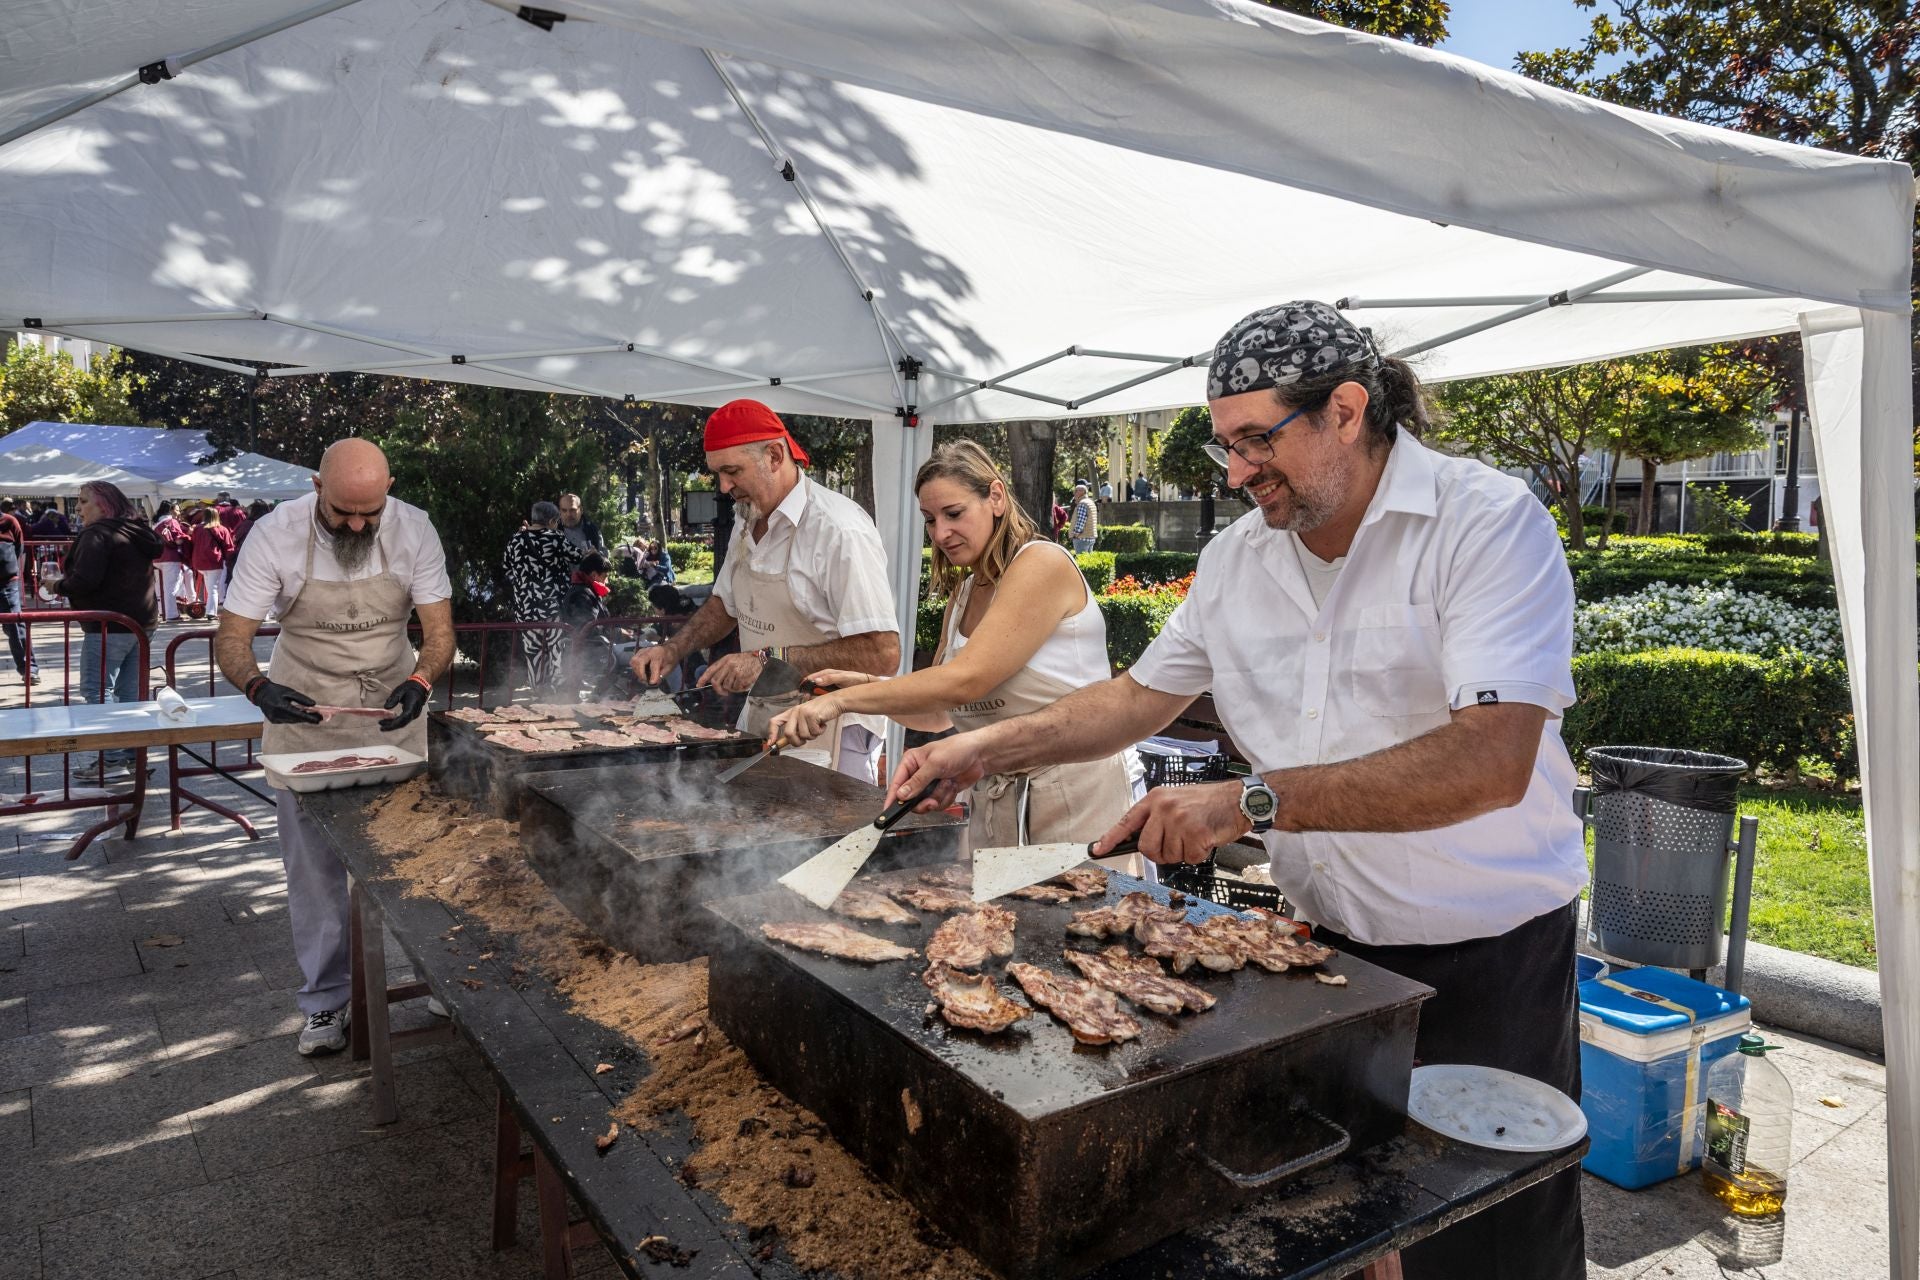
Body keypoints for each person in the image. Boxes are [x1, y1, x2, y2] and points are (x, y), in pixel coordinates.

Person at [891, 301, 1587, 1280]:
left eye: (1256, 439)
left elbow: (1491, 758)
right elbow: (1136, 697)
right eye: (1225, 444)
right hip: (1324, 953)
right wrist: (986, 747)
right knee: (1339, 1231)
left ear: (1347, 409)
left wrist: (1244, 802)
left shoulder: (1485, 522)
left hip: (1490, 960)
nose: (1234, 471)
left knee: (1487, 1249)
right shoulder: (1235, 560)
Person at [766, 440, 1131, 847]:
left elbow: (965, 681)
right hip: (997, 802)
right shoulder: (964, 594)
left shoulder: (1041, 563)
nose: (940, 533)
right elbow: (941, 711)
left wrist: (839, 702)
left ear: (995, 497)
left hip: (1073, 800)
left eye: (954, 513)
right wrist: (861, 685)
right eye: (929, 519)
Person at [216, 439, 453, 1056]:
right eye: (342, 511)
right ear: (317, 488)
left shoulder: (415, 530)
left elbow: (440, 631)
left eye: (368, 513)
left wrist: (422, 679)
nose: (356, 524)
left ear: (388, 490)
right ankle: (326, 1003)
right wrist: (258, 686)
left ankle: (440, 978)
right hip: (304, 713)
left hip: (392, 712)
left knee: (418, 857)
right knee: (315, 873)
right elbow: (233, 638)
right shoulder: (275, 535)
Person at [630, 400, 898, 781]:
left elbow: (882, 652)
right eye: (717, 474)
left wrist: (765, 660)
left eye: (732, 471)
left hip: (831, 726)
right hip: (764, 716)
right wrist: (673, 649)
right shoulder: (748, 519)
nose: (723, 487)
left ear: (774, 455)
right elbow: (725, 604)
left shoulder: (838, 530)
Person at [47, 481, 161, 782]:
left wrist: (56, 585)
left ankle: (112, 759)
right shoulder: (136, 531)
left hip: (110, 624)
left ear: (104, 505)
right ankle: (130, 756)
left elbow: (84, 580)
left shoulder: (99, 534)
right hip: (141, 623)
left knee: (98, 691)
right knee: (129, 694)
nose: (79, 508)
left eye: (84, 502)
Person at [505, 500, 580, 694]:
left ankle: (537, 689)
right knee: (555, 647)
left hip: (525, 608)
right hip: (550, 605)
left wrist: (523, 585)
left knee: (533, 651)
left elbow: (506, 568)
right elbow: (576, 556)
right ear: (553, 520)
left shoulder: (516, 539)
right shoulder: (555, 537)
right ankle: (556, 686)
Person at [0, 499, 36, 686]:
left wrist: (11, 570)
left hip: (7, 583)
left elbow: (19, 547)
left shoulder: (9, 521)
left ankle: (29, 669)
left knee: (15, 625)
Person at [190, 504, 235, 618]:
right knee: (213, 588)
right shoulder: (222, 529)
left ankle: (211, 610)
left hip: (199, 562)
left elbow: (193, 542)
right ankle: (211, 612)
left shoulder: (198, 529)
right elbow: (229, 546)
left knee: (210, 587)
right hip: (215, 561)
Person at [152, 501, 193, 623]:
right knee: (171, 587)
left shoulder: (156, 523)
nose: (179, 512)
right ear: (170, 510)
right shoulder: (171, 522)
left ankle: (161, 610)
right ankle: (171, 614)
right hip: (170, 557)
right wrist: (189, 535)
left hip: (156, 558)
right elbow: (178, 540)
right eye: (177, 509)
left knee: (159, 588)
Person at [1068, 483, 1098, 553]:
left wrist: (1075, 535)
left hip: (1082, 538)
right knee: (1088, 561)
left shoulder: (1082, 504)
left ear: (1082, 492)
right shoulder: (1090, 502)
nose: (1074, 493)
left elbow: (1081, 521)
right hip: (1091, 536)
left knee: (1081, 560)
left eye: (1076, 491)